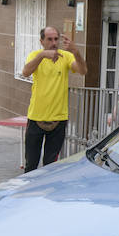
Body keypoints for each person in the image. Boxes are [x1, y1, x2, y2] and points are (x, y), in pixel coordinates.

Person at [21, 26, 87, 171]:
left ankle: (47, 193)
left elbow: (83, 71)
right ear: (42, 41)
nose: (54, 43)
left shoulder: (66, 56)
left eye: (56, 39)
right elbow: (25, 72)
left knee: (51, 166)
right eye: (49, 39)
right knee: (31, 164)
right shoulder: (35, 55)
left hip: (59, 119)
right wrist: (42, 56)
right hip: (36, 117)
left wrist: (76, 52)